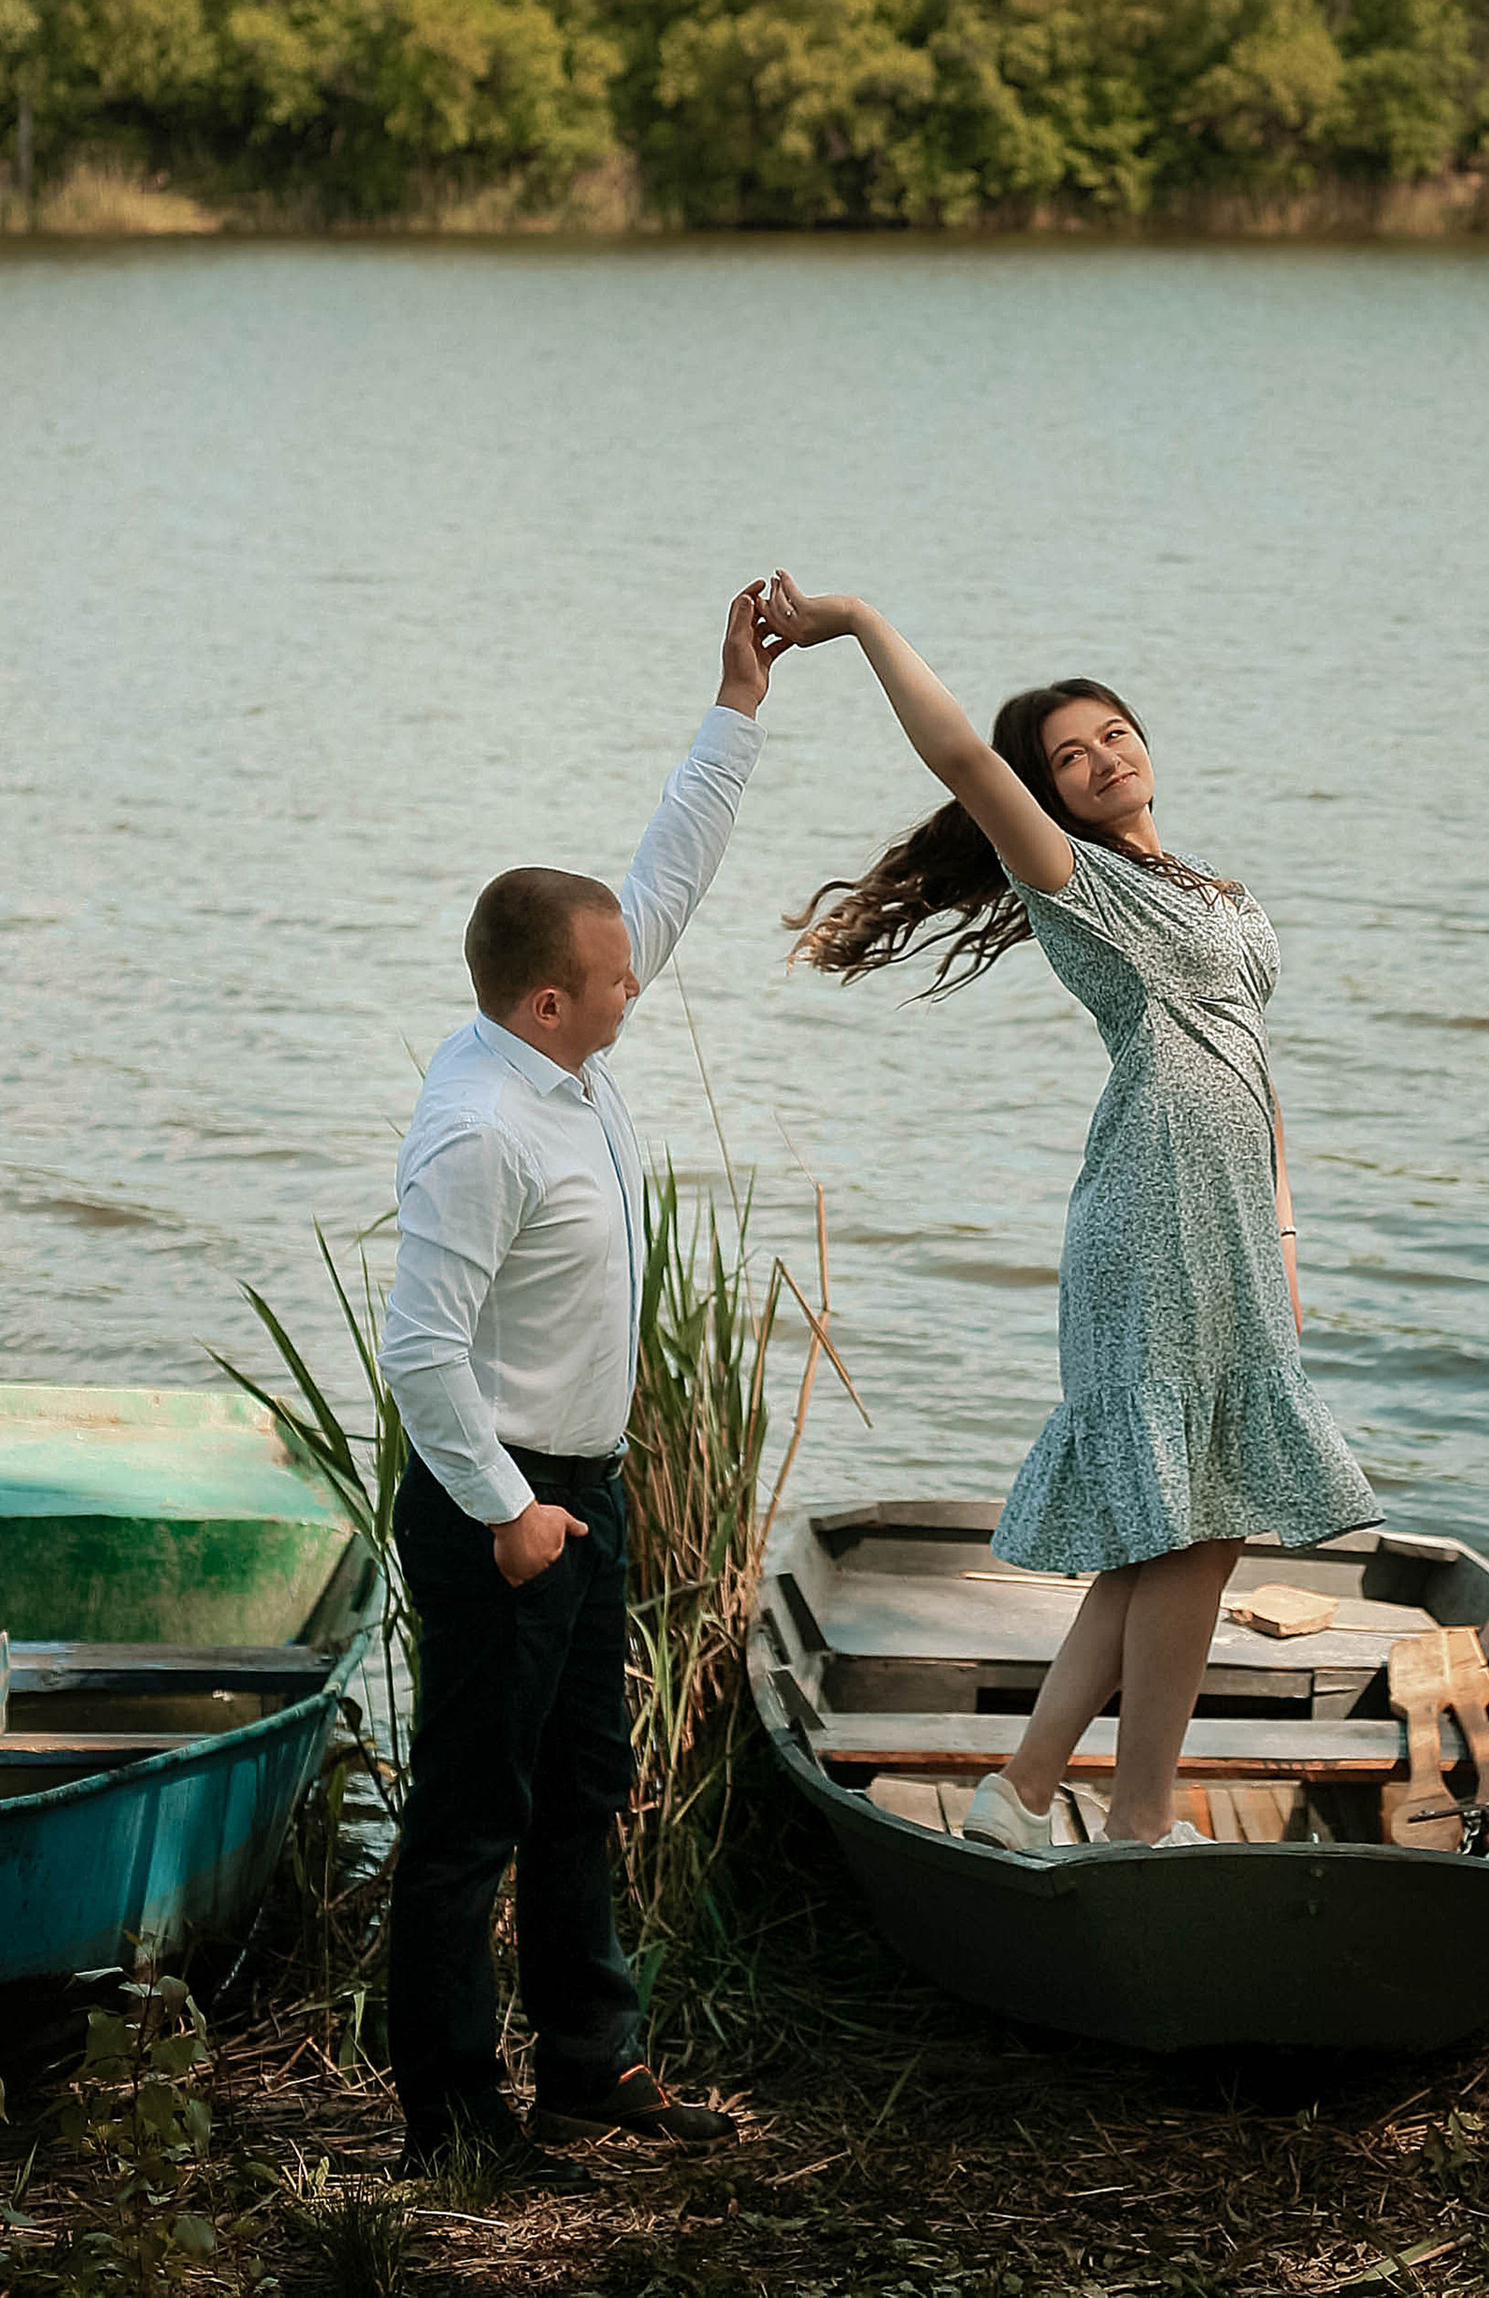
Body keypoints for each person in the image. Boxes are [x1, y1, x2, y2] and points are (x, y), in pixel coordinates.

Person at [762, 568, 1375, 1852]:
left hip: (1229, 1233)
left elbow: (1250, 1062)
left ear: (1144, 745)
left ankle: (1026, 1793)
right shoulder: (1075, 881)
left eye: (1113, 734)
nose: (1099, 759)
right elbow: (954, 754)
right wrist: (865, 625)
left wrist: (1283, 1234)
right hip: (1150, 1224)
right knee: (1189, 1529)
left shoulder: (1210, 890)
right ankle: (1141, 1819)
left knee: (1180, 1538)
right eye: (1067, 755)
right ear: (1042, 793)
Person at [378, 584, 780, 2177]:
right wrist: (507, 1511)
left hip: (580, 1492)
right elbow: (419, 1350)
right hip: (505, 1503)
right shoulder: (482, 1127)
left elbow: (662, 882)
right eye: (614, 982)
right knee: (469, 1821)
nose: (640, 987)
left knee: (578, 1789)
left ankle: (589, 2062)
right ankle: (453, 2124)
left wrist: (735, 705)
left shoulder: (562, 1051)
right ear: (550, 1002)